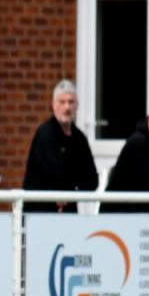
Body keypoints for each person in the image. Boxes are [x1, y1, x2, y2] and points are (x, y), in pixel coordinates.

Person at [22, 79, 98, 212]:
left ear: (77, 105)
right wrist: (74, 183)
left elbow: (92, 180)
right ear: (53, 105)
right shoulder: (45, 135)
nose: (67, 107)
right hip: (40, 212)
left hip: (68, 213)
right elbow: (55, 174)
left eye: (71, 102)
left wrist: (71, 189)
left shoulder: (80, 139)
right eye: (62, 102)